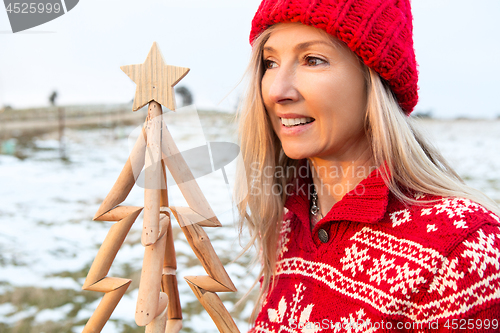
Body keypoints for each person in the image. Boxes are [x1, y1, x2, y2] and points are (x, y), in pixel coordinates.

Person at [235, 0, 500, 331]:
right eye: (270, 62)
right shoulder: (289, 224)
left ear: (375, 78)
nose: (276, 90)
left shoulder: (460, 251)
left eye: (312, 60)